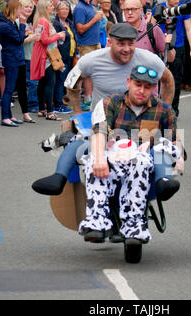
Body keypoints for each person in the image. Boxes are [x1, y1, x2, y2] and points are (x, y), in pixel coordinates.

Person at [31, 23, 179, 200]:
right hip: (103, 122)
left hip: (138, 122)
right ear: (109, 42)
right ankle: (59, 178)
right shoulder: (90, 60)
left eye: (130, 44)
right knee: (77, 143)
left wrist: (162, 110)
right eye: (121, 44)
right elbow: (71, 83)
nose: (126, 49)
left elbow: (168, 80)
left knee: (161, 147)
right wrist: (79, 115)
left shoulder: (148, 59)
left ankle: (162, 183)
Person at [78, 64, 181, 243]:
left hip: (142, 166)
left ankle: (134, 225)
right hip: (112, 162)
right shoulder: (111, 102)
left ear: (154, 88)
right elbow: (99, 131)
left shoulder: (164, 110)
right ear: (129, 82)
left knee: (142, 160)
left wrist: (174, 164)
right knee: (92, 157)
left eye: (147, 87)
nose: (141, 90)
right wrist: (100, 159)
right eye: (137, 85)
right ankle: (97, 221)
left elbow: (174, 143)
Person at [154, 0, 191, 117]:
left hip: (178, 47)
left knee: (175, 80)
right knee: (157, 79)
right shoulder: (159, 7)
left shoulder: (183, 8)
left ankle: (173, 111)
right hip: (160, 47)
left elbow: (189, 29)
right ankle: (156, 109)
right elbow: (152, 25)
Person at [0, 0, 35, 127]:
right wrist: (23, 25)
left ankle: (9, 115)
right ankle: (5, 117)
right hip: (11, 59)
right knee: (9, 89)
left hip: (16, 57)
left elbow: (18, 39)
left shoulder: (10, 23)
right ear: (14, 10)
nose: (22, 11)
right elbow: (19, 39)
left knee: (13, 87)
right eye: (19, 9)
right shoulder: (5, 25)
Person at [30, 0, 66, 120]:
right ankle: (50, 111)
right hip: (46, 55)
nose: (52, 7)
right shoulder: (43, 21)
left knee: (43, 82)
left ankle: (42, 109)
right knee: (50, 82)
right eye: (50, 5)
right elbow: (44, 40)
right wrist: (58, 35)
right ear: (44, 8)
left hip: (43, 53)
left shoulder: (40, 20)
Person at [73, 0, 104, 111]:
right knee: (86, 73)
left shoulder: (89, 6)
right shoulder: (80, 8)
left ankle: (91, 97)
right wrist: (95, 19)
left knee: (94, 72)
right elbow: (80, 29)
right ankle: (86, 99)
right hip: (86, 44)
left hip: (95, 43)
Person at [52, 0, 77, 114]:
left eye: (67, 9)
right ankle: (58, 104)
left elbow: (73, 38)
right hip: (60, 56)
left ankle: (61, 101)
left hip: (70, 54)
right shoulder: (55, 24)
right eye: (63, 9)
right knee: (60, 80)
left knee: (65, 80)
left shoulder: (69, 22)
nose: (65, 11)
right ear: (57, 11)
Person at [21, 0, 40, 114]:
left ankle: (33, 102)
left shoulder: (34, 21)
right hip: (24, 55)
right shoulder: (18, 21)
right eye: (26, 7)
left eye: (30, 7)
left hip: (33, 54)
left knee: (34, 81)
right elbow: (16, 40)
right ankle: (32, 104)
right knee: (32, 82)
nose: (29, 9)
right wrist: (29, 37)